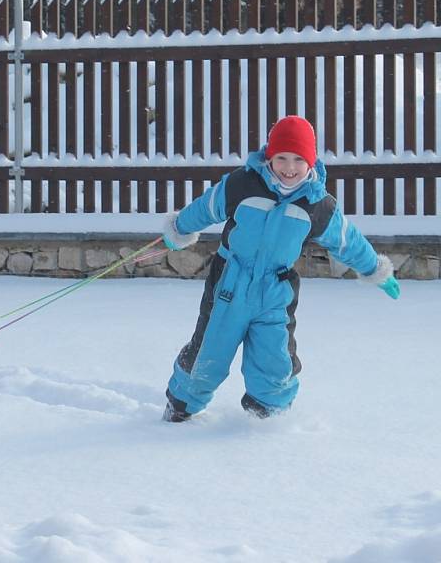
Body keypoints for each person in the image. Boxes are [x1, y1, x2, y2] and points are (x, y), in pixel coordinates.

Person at [160, 115, 400, 422]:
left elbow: (347, 242)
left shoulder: (317, 205)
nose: (289, 167)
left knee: (274, 360)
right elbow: (206, 208)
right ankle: (180, 407)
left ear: (310, 162)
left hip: (276, 290)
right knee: (209, 353)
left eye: (298, 159)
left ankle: (268, 424)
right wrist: (178, 228)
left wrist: (375, 270)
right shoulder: (242, 184)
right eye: (281, 158)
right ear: (269, 157)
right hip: (229, 285)